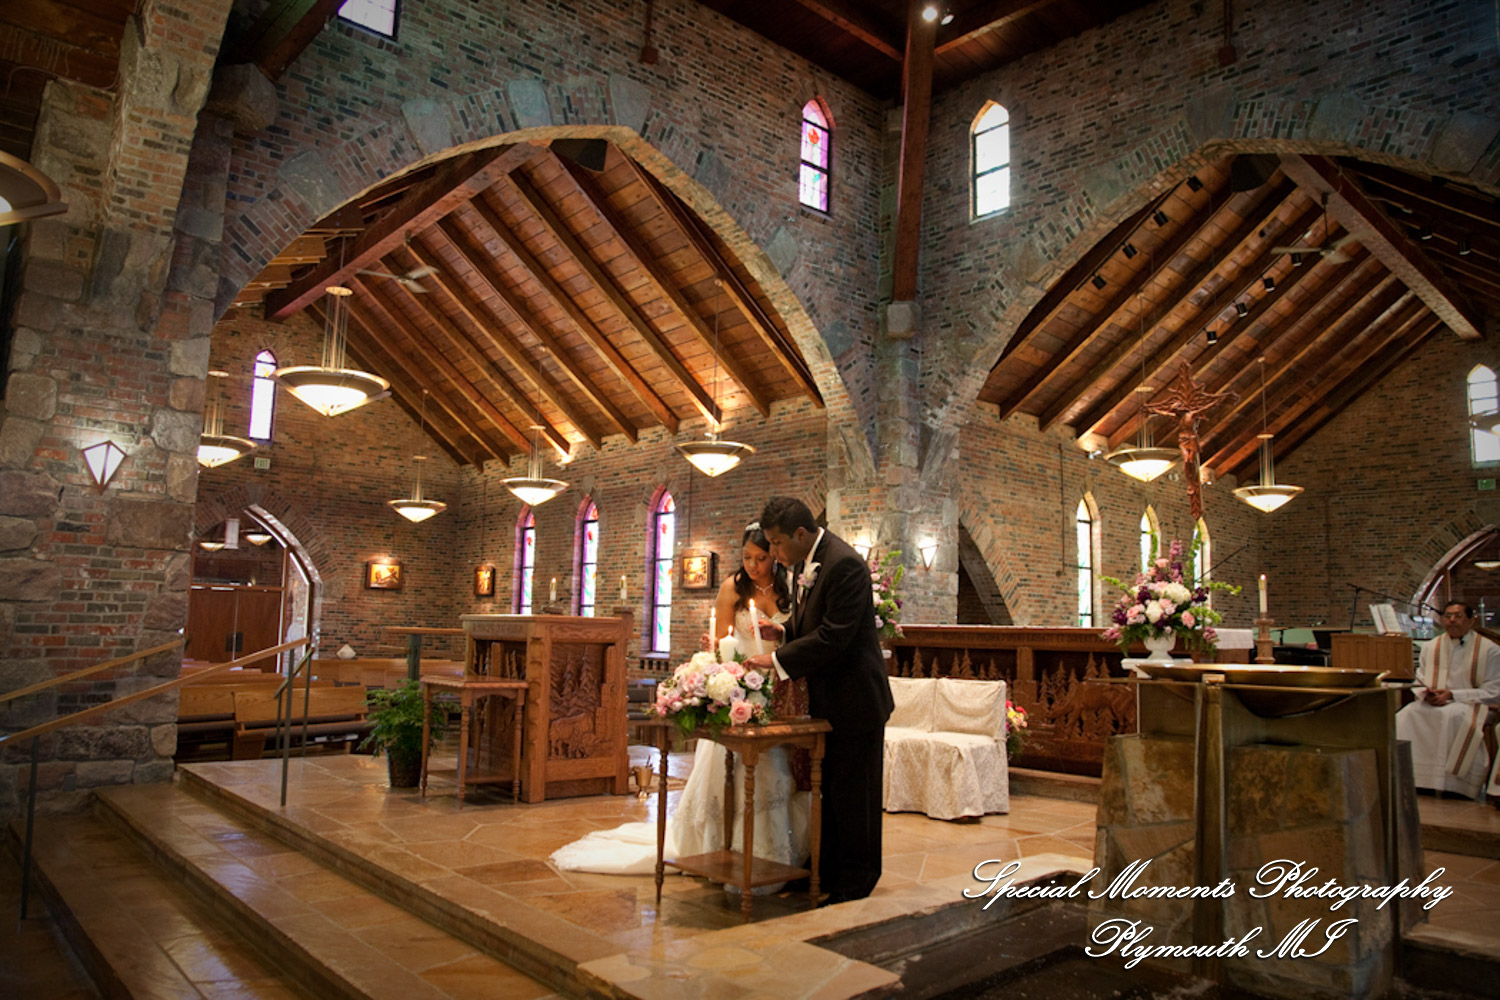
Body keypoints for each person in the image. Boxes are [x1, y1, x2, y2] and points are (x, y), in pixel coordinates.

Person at [549, 523, 809, 884]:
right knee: (729, 772)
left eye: (761, 558)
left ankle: (770, 852)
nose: (753, 565)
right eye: (747, 557)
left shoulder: (789, 590)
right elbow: (722, 646)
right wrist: (721, 662)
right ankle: (716, 847)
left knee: (774, 771)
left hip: (779, 691)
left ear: (776, 556)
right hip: (739, 687)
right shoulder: (733, 588)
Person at [741, 496, 893, 906]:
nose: (773, 552)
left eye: (776, 543)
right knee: (828, 792)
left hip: (856, 700)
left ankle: (857, 879)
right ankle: (824, 870)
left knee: (854, 794)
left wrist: (776, 660)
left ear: (800, 534)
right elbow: (813, 623)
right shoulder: (806, 562)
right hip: (829, 699)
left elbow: (835, 635)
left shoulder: (844, 564)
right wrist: (784, 632)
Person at [1395, 601, 1500, 799]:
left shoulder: (1490, 650)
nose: (1452, 620)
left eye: (1458, 616)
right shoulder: (1430, 647)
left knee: (1453, 716)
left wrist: (1453, 695)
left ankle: (1453, 785)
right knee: (1407, 714)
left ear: (1471, 620)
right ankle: (1416, 779)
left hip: (1471, 704)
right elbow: (1420, 679)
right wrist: (1427, 694)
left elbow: (1495, 690)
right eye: (1447, 616)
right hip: (1436, 702)